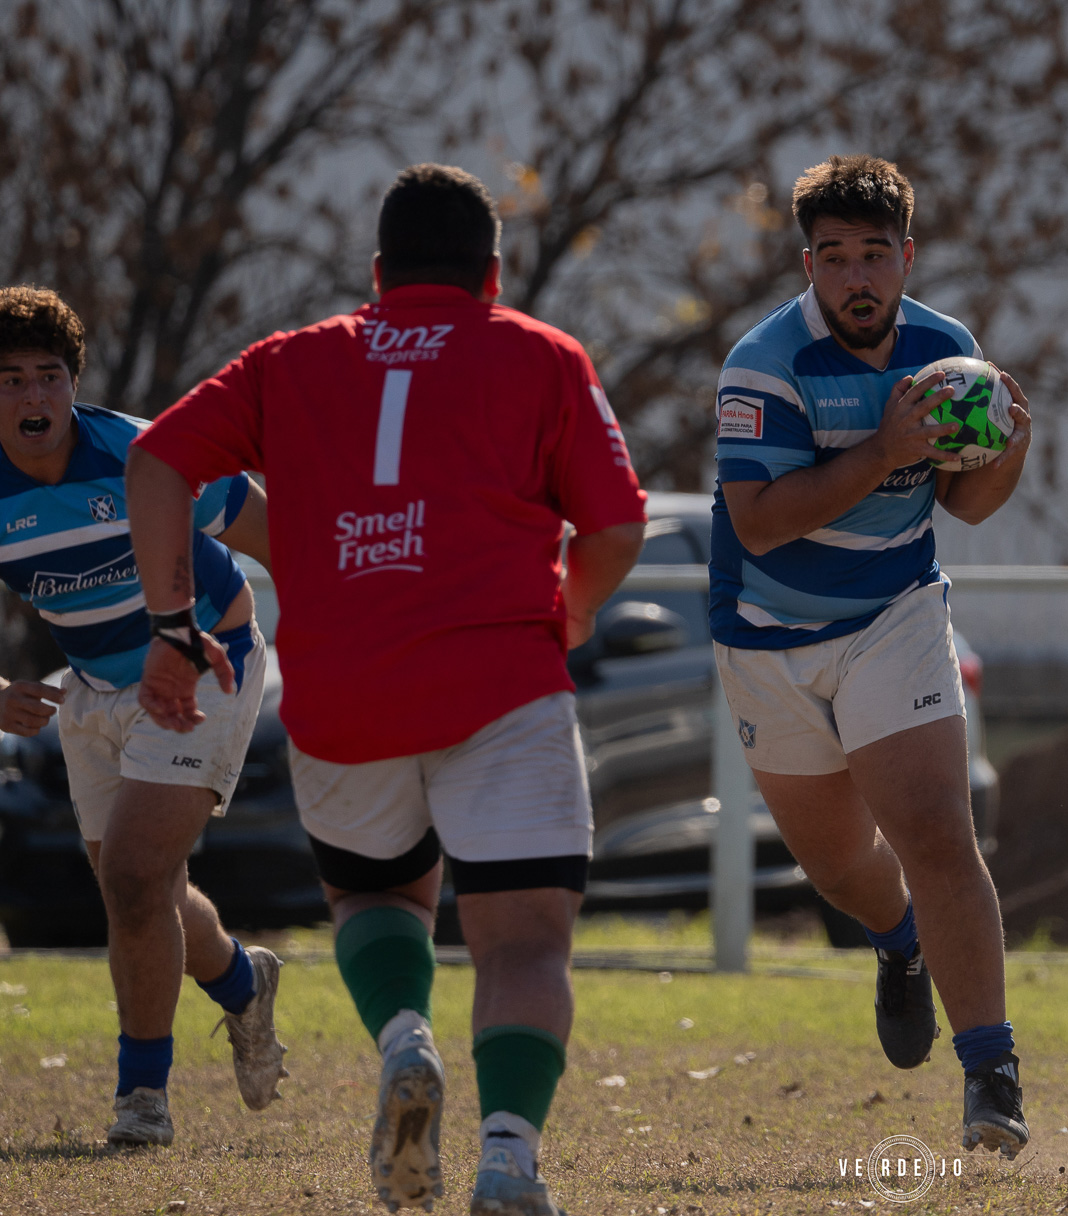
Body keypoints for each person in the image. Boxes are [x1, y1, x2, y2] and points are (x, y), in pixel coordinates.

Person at [125, 164, 647, 1215]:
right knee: (524, 940)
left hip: (343, 695)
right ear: (492, 274)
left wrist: (174, 626)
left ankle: (407, 1039)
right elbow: (617, 524)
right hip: (501, 685)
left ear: (377, 272)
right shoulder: (541, 352)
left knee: (377, 897)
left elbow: (155, 460)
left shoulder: (289, 359)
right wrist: (575, 609)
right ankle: (508, 1161)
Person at [710, 154, 1033, 1156]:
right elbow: (761, 523)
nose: (857, 276)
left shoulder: (946, 354)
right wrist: (884, 452)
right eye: (836, 256)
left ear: (907, 258)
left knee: (936, 831)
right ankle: (898, 944)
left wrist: (1011, 448)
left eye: (875, 255)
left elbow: (965, 503)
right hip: (769, 637)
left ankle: (991, 1074)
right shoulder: (763, 364)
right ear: (808, 264)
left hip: (896, 613)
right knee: (842, 865)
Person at [0, 285, 281, 1147]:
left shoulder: (141, 454)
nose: (33, 396)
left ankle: (142, 1100)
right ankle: (244, 985)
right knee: (140, 891)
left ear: (74, 383)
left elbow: (278, 534)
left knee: (132, 875)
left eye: (49, 376)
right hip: (91, 688)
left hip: (207, 664)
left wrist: (352, 634)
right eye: (10, 379)